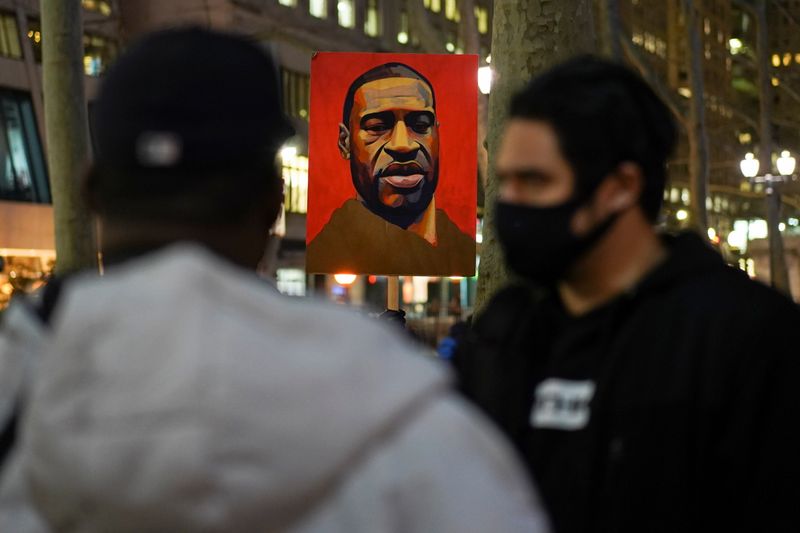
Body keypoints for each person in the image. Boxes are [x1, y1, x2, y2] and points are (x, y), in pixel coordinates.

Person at [0, 28, 549, 532]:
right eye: (378, 125)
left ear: (90, 191)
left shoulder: (17, 378)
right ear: (272, 201)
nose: (403, 144)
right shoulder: (402, 416)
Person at [455, 55, 800, 533]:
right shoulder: (505, 333)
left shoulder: (749, 339)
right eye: (505, 182)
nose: (511, 204)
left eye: (535, 181)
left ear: (620, 187)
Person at [306, 62, 475, 276]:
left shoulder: (462, 250)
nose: (403, 144)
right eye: (377, 127)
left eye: (421, 126)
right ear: (344, 142)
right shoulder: (326, 253)